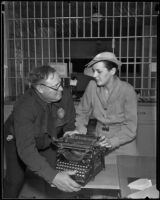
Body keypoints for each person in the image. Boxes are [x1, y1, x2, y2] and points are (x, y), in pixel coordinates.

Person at [3, 65, 81, 198]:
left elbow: (70, 120)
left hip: (48, 138)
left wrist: (69, 132)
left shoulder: (65, 95)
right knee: (15, 181)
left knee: (54, 176)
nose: (61, 88)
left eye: (60, 83)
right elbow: (26, 150)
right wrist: (53, 176)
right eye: (56, 86)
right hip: (18, 140)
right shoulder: (24, 106)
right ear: (40, 88)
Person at [66, 52, 138, 159]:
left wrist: (113, 141)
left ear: (112, 71)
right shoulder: (92, 86)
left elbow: (131, 127)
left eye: (99, 71)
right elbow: (82, 112)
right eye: (94, 71)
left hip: (124, 145)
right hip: (100, 141)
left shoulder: (127, 90)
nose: (94, 75)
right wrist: (79, 130)